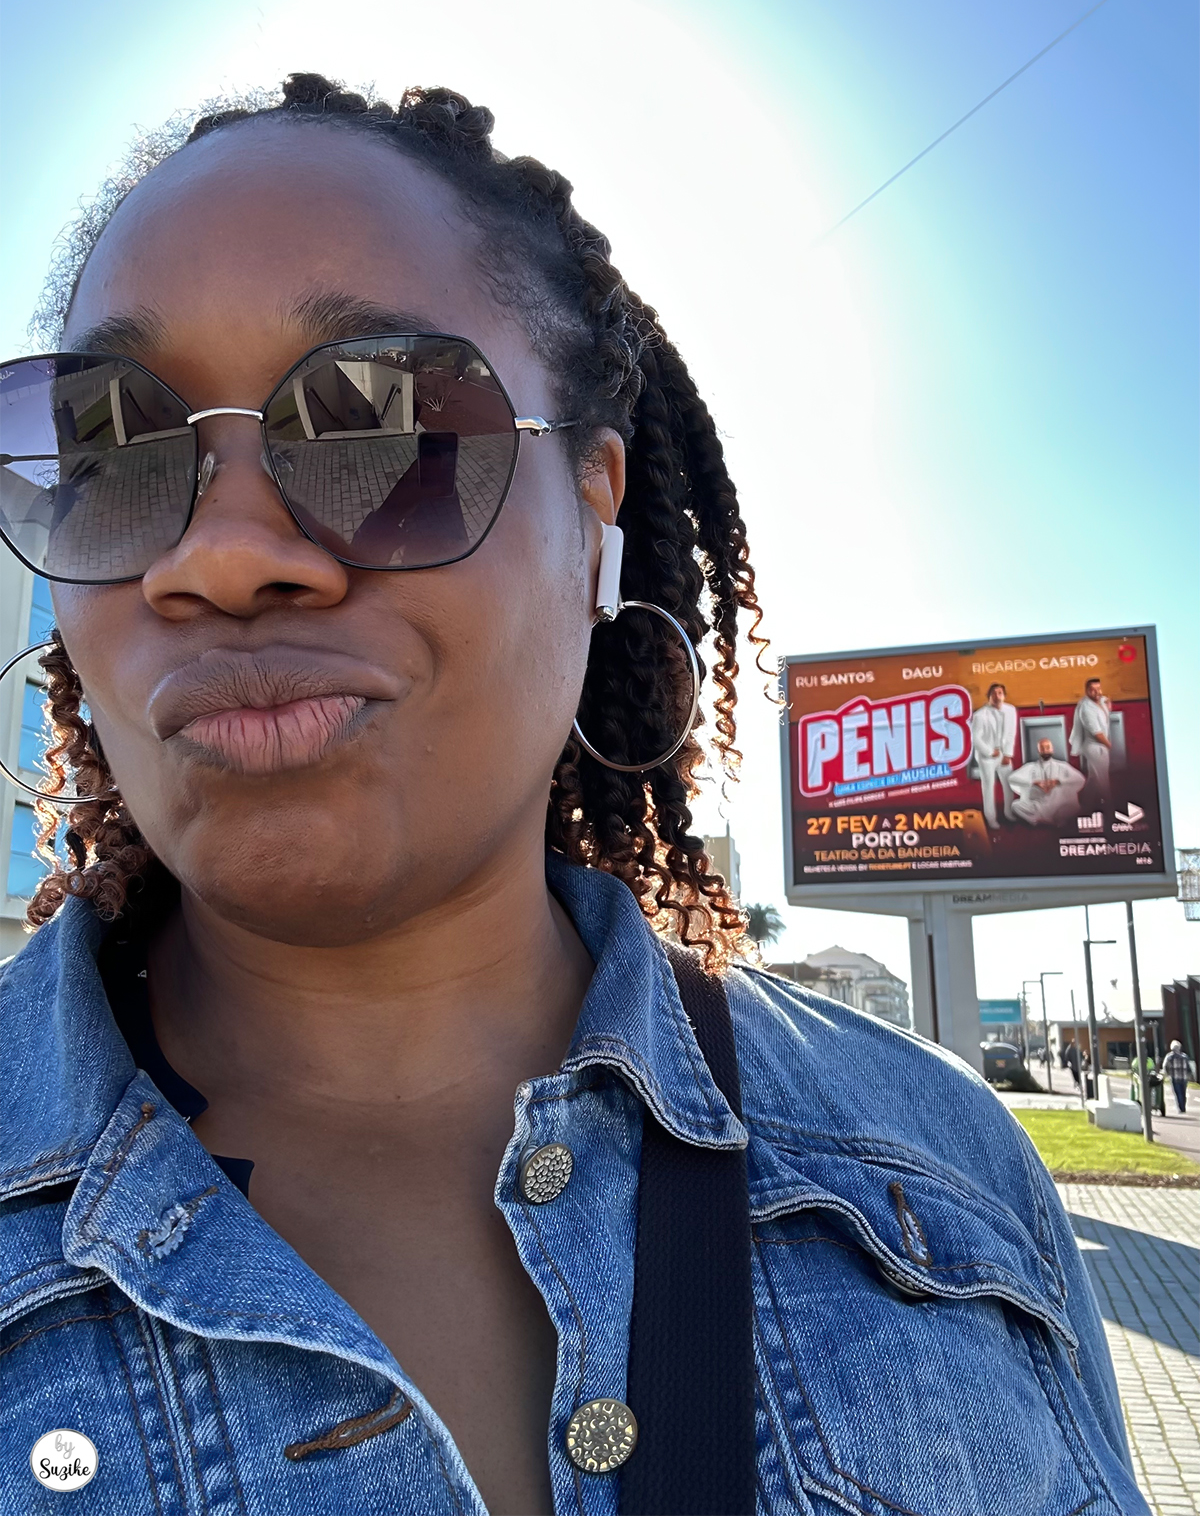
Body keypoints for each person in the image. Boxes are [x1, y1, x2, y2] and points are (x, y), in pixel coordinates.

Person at [0, 74, 1147, 1516]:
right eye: (115, 446)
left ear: (594, 511)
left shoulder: (944, 1176)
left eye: (379, 422)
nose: (219, 557)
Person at [1008, 738, 1087, 828]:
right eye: (1042, 748)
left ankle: (1056, 820)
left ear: (1052, 749)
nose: (1045, 750)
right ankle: (1038, 821)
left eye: (1047, 747)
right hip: (1038, 806)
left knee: (1074, 807)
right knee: (1015, 805)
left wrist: (1058, 782)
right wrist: (1034, 783)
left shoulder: (1062, 766)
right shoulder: (1030, 767)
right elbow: (1012, 778)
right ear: (1039, 750)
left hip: (1059, 805)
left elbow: (1080, 779)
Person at [970, 681, 1016, 829]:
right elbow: (975, 738)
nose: (997, 696)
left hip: (1004, 753)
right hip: (987, 756)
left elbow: (1011, 733)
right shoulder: (979, 715)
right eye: (994, 693)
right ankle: (991, 818)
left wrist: (1008, 753)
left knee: (1009, 784)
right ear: (989, 696)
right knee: (988, 787)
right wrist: (990, 752)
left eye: (1000, 693)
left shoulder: (1010, 710)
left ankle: (1009, 813)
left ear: (1004, 695)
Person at [1069, 677, 1113, 805]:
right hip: (1095, 746)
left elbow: (1105, 700)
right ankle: (1110, 808)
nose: (1096, 692)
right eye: (1092, 690)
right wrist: (1108, 745)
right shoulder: (1086, 708)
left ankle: (1084, 805)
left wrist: (1108, 702)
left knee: (1094, 778)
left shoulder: (1100, 701)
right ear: (1087, 691)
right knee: (1103, 779)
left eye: (1098, 689)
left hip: (1099, 746)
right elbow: (1096, 732)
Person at [1162, 1040, 1193, 1114]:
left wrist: (1168, 1074)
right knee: (1183, 1092)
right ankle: (1183, 1107)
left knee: (1178, 1093)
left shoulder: (1169, 1056)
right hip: (1184, 1077)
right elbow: (1189, 1067)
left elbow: (1165, 1066)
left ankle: (1180, 1108)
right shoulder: (1184, 1056)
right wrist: (1190, 1075)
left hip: (1174, 1077)